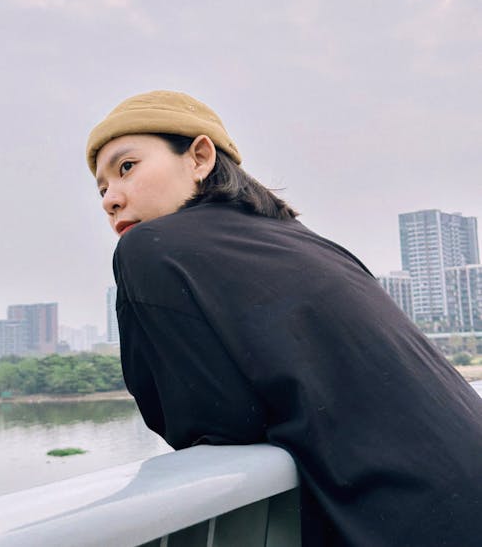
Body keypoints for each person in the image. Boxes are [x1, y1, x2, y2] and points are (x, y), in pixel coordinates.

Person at [86, 90, 482, 547]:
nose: (110, 199)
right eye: (101, 188)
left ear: (199, 157)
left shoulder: (149, 247)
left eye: (126, 167)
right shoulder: (311, 244)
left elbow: (212, 425)